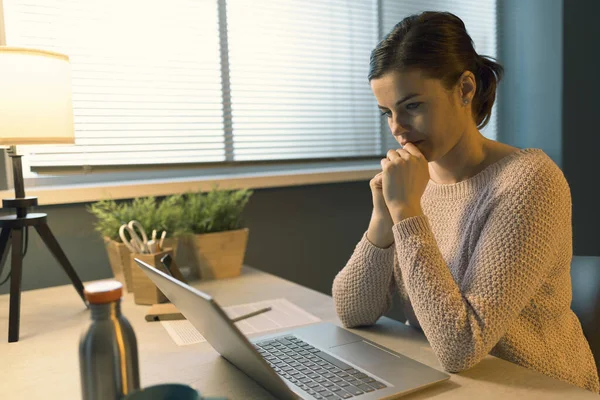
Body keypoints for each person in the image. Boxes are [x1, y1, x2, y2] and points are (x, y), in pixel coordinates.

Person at [331, 11, 599, 393]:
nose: (397, 127)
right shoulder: (415, 182)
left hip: (540, 388)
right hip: (452, 384)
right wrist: (383, 219)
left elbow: (462, 345)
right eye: (387, 112)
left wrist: (407, 212)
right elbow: (351, 312)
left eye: (412, 106)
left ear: (465, 89)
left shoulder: (529, 181)